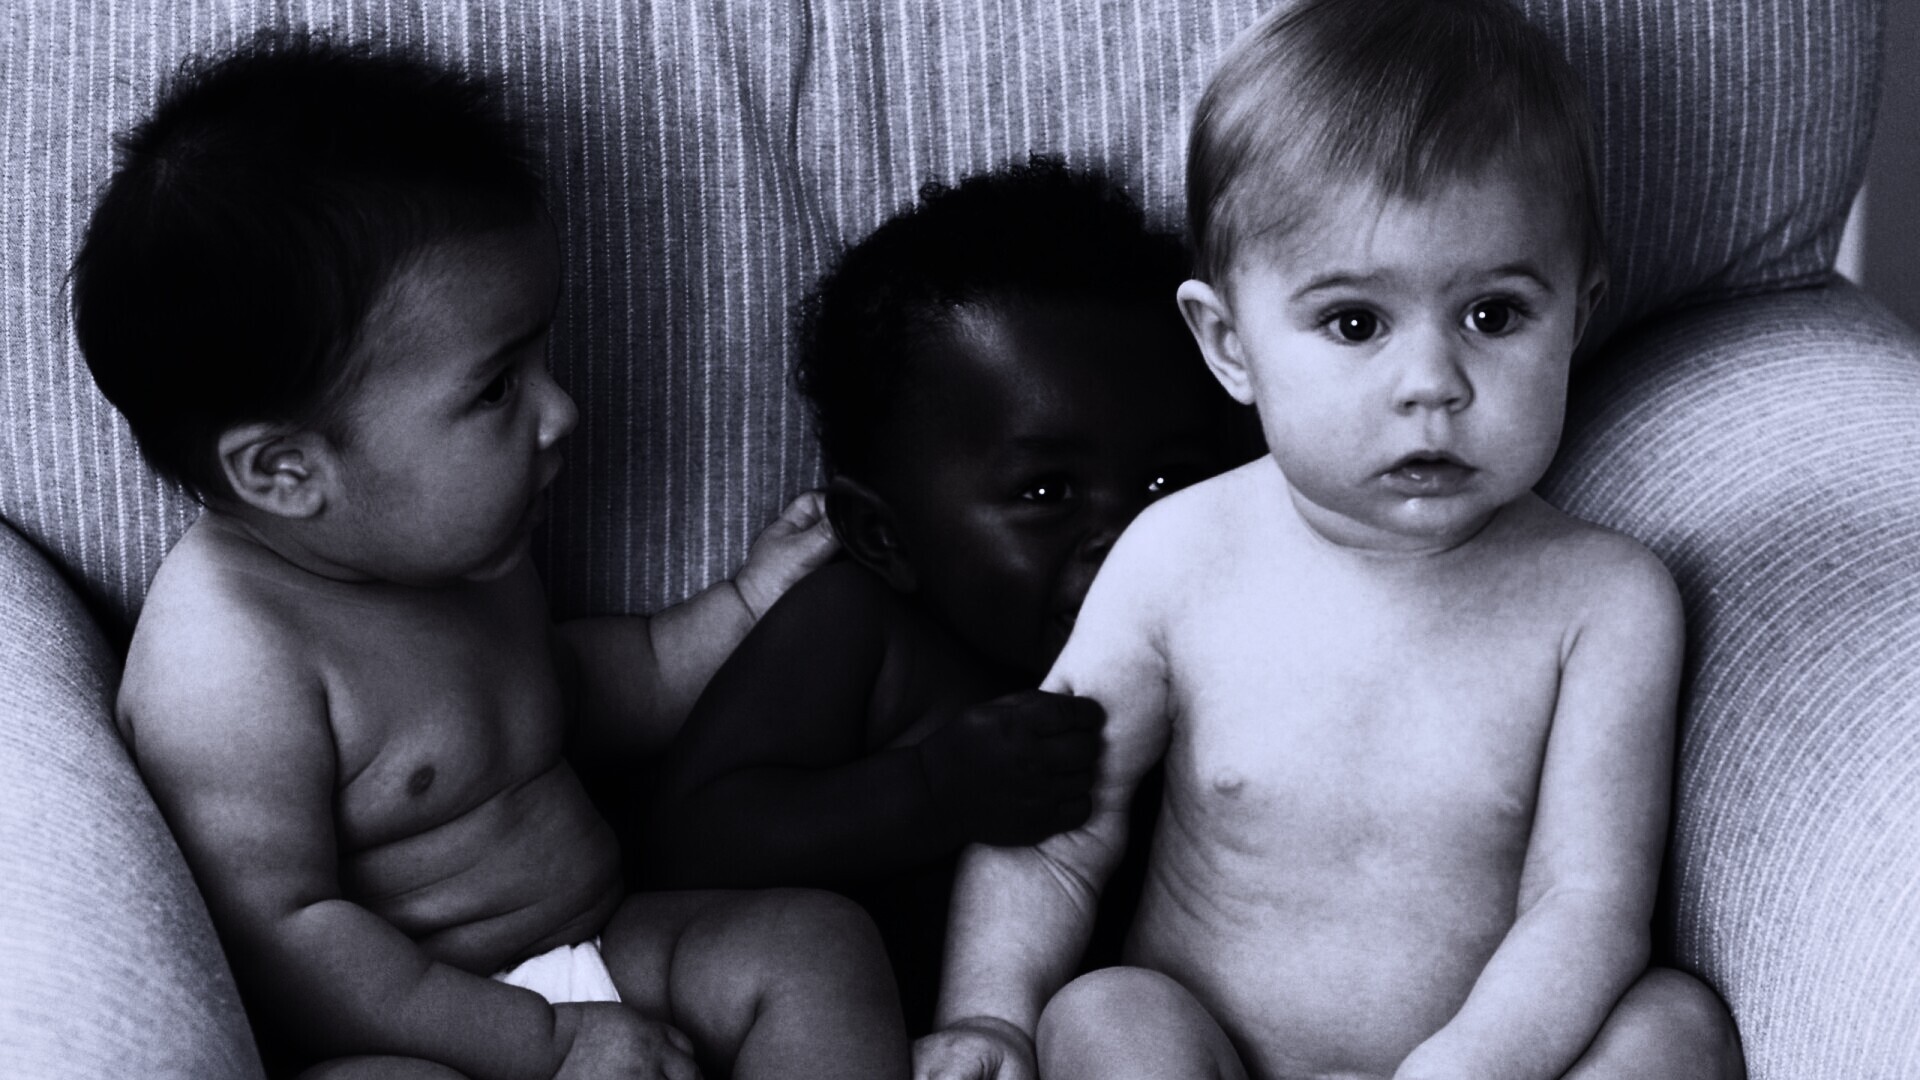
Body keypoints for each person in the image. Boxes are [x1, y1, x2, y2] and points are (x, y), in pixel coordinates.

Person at [914, 3, 1747, 1079]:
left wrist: (1461, 1069)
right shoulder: (1179, 558)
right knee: (1105, 1013)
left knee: (1675, 1025)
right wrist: (987, 1015)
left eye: (1494, 315)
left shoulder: (1604, 600)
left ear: (1577, 316)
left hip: (1488, 1067)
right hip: (1216, 1056)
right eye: (1356, 322)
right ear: (1230, 344)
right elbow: (1056, 837)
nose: (1432, 384)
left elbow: (1585, 904)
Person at [72, 34, 907, 1080]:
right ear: (287, 471)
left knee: (814, 942)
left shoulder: (463, 550)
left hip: (606, 947)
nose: (561, 411)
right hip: (426, 1030)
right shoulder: (229, 663)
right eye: (497, 387)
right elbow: (283, 939)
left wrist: (747, 602)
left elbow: (584, 688)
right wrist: (546, 1045)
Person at [633, 159, 1256, 1032]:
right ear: (884, 537)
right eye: (1046, 492)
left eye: (1168, 480)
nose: (1128, 535)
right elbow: (688, 846)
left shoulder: (1224, 630)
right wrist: (932, 791)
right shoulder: (859, 630)